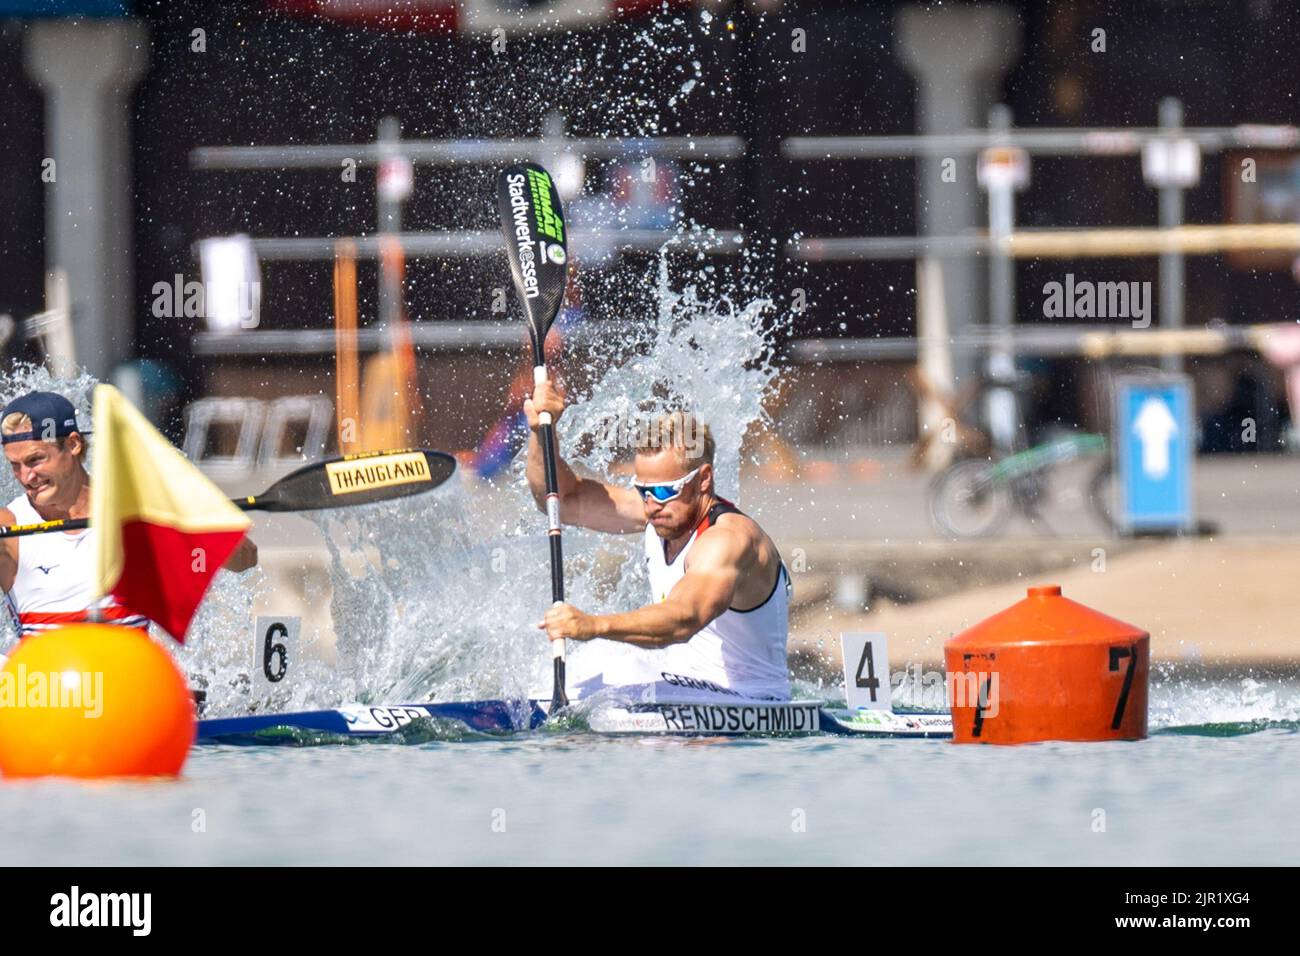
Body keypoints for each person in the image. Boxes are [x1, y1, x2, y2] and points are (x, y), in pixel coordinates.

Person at [526, 381, 791, 702]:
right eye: (643, 490)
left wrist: (593, 625)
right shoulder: (660, 511)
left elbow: (683, 618)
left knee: (615, 664)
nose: (651, 504)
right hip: (682, 689)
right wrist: (543, 431)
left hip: (747, 698)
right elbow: (560, 500)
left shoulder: (728, 539)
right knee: (584, 667)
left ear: (704, 478)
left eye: (666, 490)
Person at [0, 391, 258, 640]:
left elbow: (246, 559)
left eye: (35, 460)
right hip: (44, 682)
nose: (26, 477)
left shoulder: (139, 509)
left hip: (129, 678)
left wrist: (193, 522)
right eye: (15, 465)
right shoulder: (9, 528)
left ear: (73, 444)